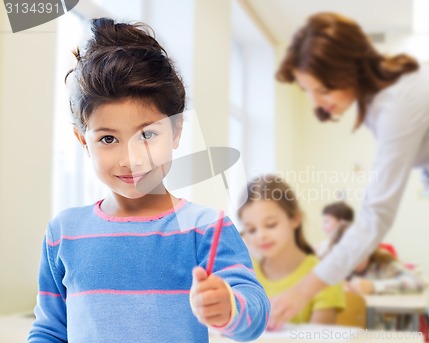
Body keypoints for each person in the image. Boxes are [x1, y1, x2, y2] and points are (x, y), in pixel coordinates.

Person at [27, 18, 269, 343]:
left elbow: (253, 314)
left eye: (147, 135)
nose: (131, 159)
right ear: (83, 140)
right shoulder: (63, 234)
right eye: (108, 139)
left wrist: (229, 308)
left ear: (177, 131)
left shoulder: (206, 229)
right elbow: (50, 331)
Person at [268, 12, 429, 342]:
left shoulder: (400, 102)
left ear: (350, 70)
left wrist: (302, 291)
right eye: (308, 90)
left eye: (323, 89)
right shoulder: (382, 100)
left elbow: (377, 215)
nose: (316, 102)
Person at [239, 175, 345, 325]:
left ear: (295, 219)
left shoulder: (324, 276)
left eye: (271, 225)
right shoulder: (244, 276)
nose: (261, 236)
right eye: (251, 229)